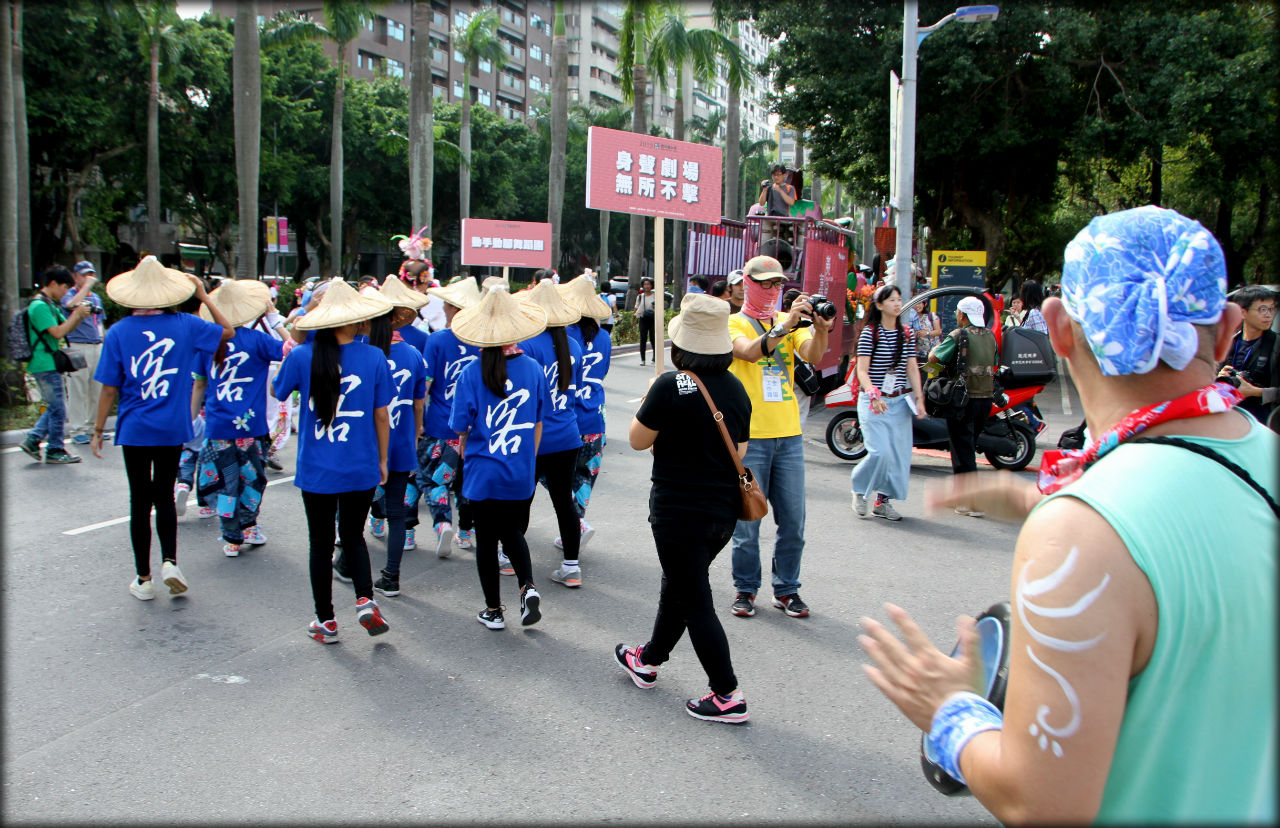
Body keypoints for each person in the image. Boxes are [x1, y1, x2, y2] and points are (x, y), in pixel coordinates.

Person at [859, 205, 1277, 824]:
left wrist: (949, 711)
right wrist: (1049, 506)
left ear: (1056, 329)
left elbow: (1043, 802)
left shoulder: (1087, 531)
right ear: (1226, 331)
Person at [617, 293, 752, 724]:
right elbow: (741, 451)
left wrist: (647, 406)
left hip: (677, 513)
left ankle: (727, 693)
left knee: (694, 599)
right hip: (722, 514)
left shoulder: (670, 385)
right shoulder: (737, 391)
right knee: (680, 584)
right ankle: (649, 658)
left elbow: (638, 441)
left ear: (681, 345)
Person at [89, 256, 235, 600]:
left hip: (135, 427)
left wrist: (97, 429)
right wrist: (203, 295)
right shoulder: (185, 323)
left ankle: (144, 578)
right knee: (165, 497)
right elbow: (227, 331)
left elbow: (109, 388)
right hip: (171, 427)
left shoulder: (118, 332)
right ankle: (170, 561)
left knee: (139, 501)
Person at [272, 280, 394, 644]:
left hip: (316, 469)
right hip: (361, 465)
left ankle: (326, 622)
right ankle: (365, 600)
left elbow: (278, 391)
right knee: (354, 537)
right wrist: (384, 460)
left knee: (320, 543)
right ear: (356, 320)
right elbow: (381, 415)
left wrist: (300, 329)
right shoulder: (373, 356)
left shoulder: (300, 356)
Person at [726, 255, 832, 620]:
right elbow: (749, 353)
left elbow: (812, 354)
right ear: (748, 284)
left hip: (789, 436)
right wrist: (783, 326)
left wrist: (820, 328)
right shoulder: (733, 323)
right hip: (749, 438)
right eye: (765, 283)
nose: (772, 289)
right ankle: (745, 588)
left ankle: (787, 590)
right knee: (748, 521)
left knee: (793, 522)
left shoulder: (790, 324)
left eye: (777, 284)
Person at [448, 283, 550, 630]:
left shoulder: (470, 373)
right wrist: (527, 459)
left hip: (482, 471)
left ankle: (494, 611)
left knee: (487, 541)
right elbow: (538, 423)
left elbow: (460, 427)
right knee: (513, 532)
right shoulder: (533, 369)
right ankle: (528, 586)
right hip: (520, 470)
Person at [192, 279, 283, 557]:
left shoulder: (208, 342)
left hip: (218, 425)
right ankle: (249, 526)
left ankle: (231, 536)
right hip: (251, 426)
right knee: (252, 478)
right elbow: (290, 349)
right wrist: (274, 319)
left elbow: (199, 384)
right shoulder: (258, 340)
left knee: (225, 481)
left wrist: (190, 419)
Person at [360, 277, 428, 598]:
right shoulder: (413, 355)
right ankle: (391, 576)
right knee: (397, 513)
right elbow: (418, 405)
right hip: (400, 443)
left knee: (354, 511)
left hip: (364, 445)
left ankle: (347, 561)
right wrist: (414, 436)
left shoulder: (362, 352)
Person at [518, 281, 587, 587]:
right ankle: (571, 566)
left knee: (522, 497)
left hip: (535, 435)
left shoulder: (528, 345)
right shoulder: (574, 345)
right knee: (564, 500)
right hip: (568, 433)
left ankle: (508, 557)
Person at [416, 277, 483, 555]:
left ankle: (443, 524)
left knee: (433, 479)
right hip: (474, 427)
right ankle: (466, 534)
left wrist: (418, 419)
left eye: (446, 303)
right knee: (466, 483)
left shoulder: (437, 340)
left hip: (441, 425)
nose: (442, 307)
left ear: (454, 308)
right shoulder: (483, 340)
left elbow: (427, 384)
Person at [850, 284, 926, 521]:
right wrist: (874, 394)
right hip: (874, 402)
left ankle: (883, 502)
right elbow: (862, 370)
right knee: (879, 452)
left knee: (898, 456)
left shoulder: (907, 333)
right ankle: (859, 490)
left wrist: (919, 398)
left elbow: (912, 366)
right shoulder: (869, 333)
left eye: (899, 299)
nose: (897, 303)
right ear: (879, 305)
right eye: (891, 299)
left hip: (900, 401)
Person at [927, 296, 999, 516]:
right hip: (985, 400)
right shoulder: (990, 336)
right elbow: (993, 363)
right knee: (966, 447)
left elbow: (933, 356)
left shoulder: (959, 335)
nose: (956, 316)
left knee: (962, 451)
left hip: (963, 400)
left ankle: (970, 502)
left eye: (958, 313)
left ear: (963, 315)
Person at [559, 275, 614, 552]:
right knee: (584, 477)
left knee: (553, 476)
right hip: (595, 417)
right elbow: (602, 373)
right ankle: (576, 524)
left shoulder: (564, 336)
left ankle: (575, 526)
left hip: (568, 418)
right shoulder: (604, 337)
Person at [20, 266, 94, 464]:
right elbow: (58, 333)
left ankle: (33, 440)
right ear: (52, 284)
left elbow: (67, 326)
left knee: (55, 407)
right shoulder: (39, 306)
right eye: (64, 287)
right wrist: (77, 314)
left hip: (50, 362)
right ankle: (54, 449)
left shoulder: (49, 304)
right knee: (58, 408)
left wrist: (80, 315)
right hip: (43, 363)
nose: (65, 292)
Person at [1217, 285, 1278, 424]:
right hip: (1228, 419)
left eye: (1272, 309)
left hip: (1264, 424)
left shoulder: (1275, 345)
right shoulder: (1226, 343)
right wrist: (1219, 377)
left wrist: (1256, 392)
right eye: (1262, 309)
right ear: (1242, 313)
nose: (1268, 314)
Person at [61, 261, 106, 445]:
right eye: (83, 275)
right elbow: (71, 305)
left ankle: (93, 427)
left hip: (96, 345)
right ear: (76, 277)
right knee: (78, 389)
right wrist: (86, 286)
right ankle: (77, 429)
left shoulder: (96, 298)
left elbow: (100, 322)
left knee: (97, 389)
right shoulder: (69, 295)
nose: (88, 278)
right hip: (78, 345)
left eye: (90, 275)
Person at [635, 277, 657, 366]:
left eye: (648, 284)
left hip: (653, 319)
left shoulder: (655, 295)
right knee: (643, 338)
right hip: (643, 318)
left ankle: (655, 357)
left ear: (651, 285)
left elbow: (659, 308)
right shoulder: (640, 296)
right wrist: (633, 319)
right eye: (645, 284)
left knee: (653, 338)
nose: (647, 286)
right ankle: (643, 359)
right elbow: (636, 308)